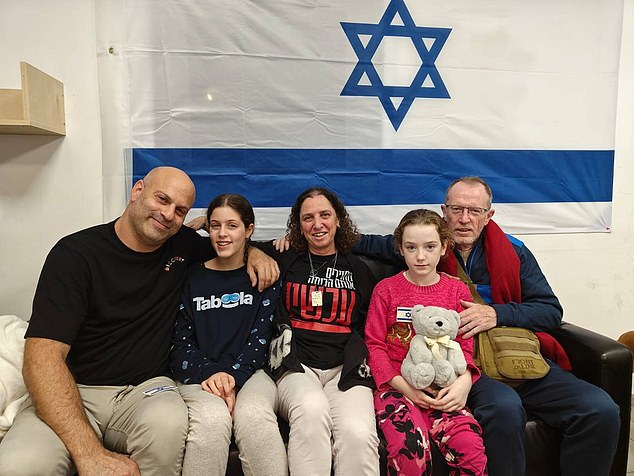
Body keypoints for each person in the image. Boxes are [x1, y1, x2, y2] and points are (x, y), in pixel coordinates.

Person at [0, 167, 278, 476]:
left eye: (180, 210)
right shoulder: (76, 255)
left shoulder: (183, 245)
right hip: (74, 390)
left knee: (169, 425)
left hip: (145, 392)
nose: (168, 214)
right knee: (19, 465)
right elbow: (42, 358)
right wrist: (89, 453)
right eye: (162, 199)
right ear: (137, 192)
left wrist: (256, 254)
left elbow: (230, 247)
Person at [354, 176, 620, 476]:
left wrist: (496, 314)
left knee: (600, 410)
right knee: (504, 408)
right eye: (456, 209)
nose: (464, 219)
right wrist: (297, 242)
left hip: (518, 357)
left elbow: (550, 310)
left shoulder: (515, 251)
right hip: (469, 364)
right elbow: (361, 242)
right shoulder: (427, 245)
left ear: (489, 215)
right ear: (444, 211)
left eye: (475, 211)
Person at [250, 187, 380, 476]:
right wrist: (254, 253)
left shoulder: (358, 269)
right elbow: (232, 243)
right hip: (296, 366)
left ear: (338, 220)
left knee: (358, 433)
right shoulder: (285, 259)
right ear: (298, 225)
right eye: (307, 218)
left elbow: (373, 324)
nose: (317, 224)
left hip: (345, 369)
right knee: (311, 410)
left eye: (325, 215)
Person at [364, 208, 487, 475]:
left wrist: (464, 382)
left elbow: (465, 345)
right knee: (410, 451)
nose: (420, 256)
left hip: (445, 389)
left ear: (444, 247)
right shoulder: (385, 290)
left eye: (430, 247)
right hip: (397, 388)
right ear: (400, 248)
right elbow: (374, 346)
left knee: (470, 448)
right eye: (411, 247)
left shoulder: (456, 290)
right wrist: (405, 388)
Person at [170, 193, 280, 476]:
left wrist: (232, 375)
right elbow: (180, 342)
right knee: (211, 419)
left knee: (254, 416)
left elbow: (260, 341)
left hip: (251, 372)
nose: (222, 234)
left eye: (232, 226)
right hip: (198, 373)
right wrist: (213, 373)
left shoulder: (263, 276)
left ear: (249, 230)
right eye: (216, 226)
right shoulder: (189, 276)